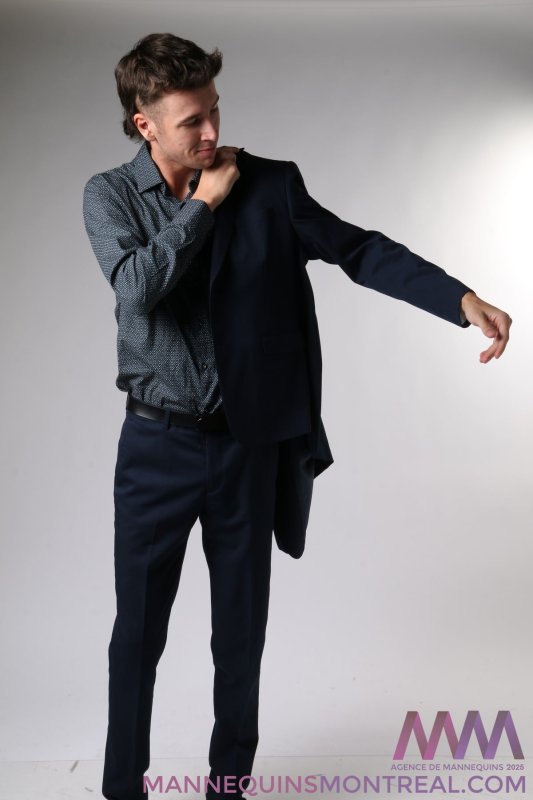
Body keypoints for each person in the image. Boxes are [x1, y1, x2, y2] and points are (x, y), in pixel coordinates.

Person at [82, 32, 511, 800]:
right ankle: (121, 790)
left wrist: (459, 298)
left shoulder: (270, 185)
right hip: (154, 447)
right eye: (190, 121)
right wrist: (204, 207)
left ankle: (227, 789)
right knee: (136, 638)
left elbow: (358, 249)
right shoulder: (109, 196)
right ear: (144, 124)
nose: (212, 132)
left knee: (239, 639)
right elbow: (137, 290)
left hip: (245, 448)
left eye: (214, 111)